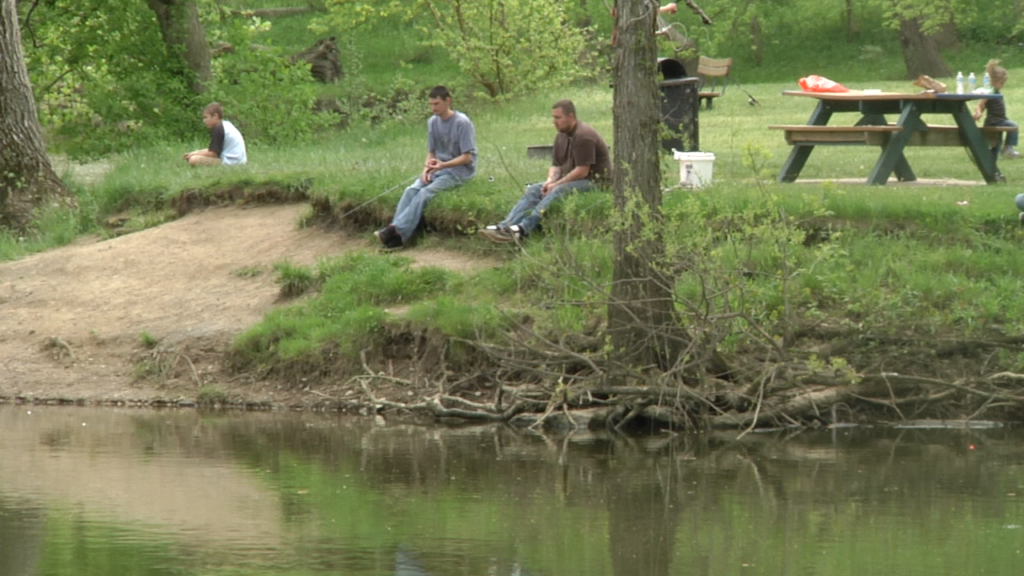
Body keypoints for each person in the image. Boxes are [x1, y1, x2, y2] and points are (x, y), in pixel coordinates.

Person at [478, 100, 611, 243]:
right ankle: (505, 227)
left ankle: (522, 229)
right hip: (576, 179)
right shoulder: (562, 135)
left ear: (571, 116)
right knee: (534, 189)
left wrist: (557, 184)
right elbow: (556, 166)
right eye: (553, 117)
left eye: (558, 118)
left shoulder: (584, 136)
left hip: (596, 181)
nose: (554, 122)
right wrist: (549, 182)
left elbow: (582, 171)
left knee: (559, 190)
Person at [375, 85, 477, 250]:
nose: (433, 108)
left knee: (425, 193)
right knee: (411, 190)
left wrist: (443, 165)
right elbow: (431, 152)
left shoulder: (462, 123)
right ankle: (395, 238)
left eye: (436, 104)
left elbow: (467, 157)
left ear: (447, 101)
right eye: (431, 104)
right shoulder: (432, 122)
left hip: (459, 171)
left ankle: (395, 232)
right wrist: (426, 169)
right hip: (439, 169)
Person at [972, 59, 1020, 160]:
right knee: (1013, 126)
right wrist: (978, 113)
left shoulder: (996, 91)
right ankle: (1007, 148)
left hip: (1000, 120)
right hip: (994, 121)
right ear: (993, 81)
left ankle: (990, 157)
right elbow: (980, 105)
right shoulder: (990, 92)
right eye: (1001, 83)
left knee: (997, 142)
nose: (1002, 86)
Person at [182, 102, 247, 167]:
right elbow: (213, 150)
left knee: (194, 160)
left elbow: (213, 154)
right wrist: (193, 153)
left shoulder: (219, 129)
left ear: (215, 116)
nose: (204, 121)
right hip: (239, 161)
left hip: (231, 162)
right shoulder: (225, 125)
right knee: (194, 156)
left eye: (206, 117)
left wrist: (193, 155)